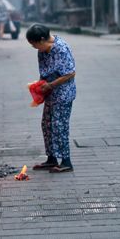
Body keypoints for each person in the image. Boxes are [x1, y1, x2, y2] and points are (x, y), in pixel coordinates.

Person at [26, 23, 76, 173]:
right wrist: (40, 87)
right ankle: (51, 158)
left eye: (35, 45)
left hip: (63, 93)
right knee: (47, 125)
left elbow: (70, 73)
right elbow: (44, 72)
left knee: (59, 126)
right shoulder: (42, 51)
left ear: (42, 40)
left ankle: (66, 161)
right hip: (50, 92)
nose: (34, 48)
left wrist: (51, 85)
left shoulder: (61, 48)